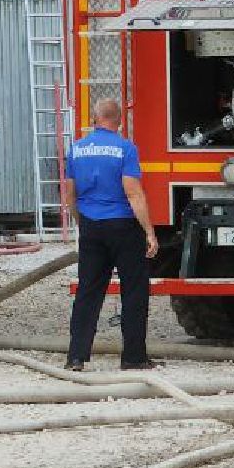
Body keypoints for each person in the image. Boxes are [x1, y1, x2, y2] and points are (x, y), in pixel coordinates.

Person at [64, 97, 159, 371]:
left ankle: (76, 356)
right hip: (123, 226)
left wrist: (81, 222)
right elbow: (133, 193)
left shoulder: (77, 149)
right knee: (134, 290)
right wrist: (149, 231)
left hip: (91, 225)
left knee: (88, 291)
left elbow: (69, 195)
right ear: (119, 120)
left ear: (95, 119)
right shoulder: (125, 149)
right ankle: (133, 357)